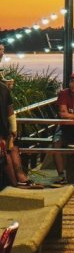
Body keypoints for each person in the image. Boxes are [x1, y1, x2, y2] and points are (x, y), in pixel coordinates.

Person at [0, 44, 32, 186]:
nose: (2, 53)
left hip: (3, 130)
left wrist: (13, 129)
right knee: (5, 151)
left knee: (12, 147)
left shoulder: (4, 88)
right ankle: (15, 185)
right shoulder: (4, 88)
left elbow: (10, 110)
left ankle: (19, 179)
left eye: (2, 51)